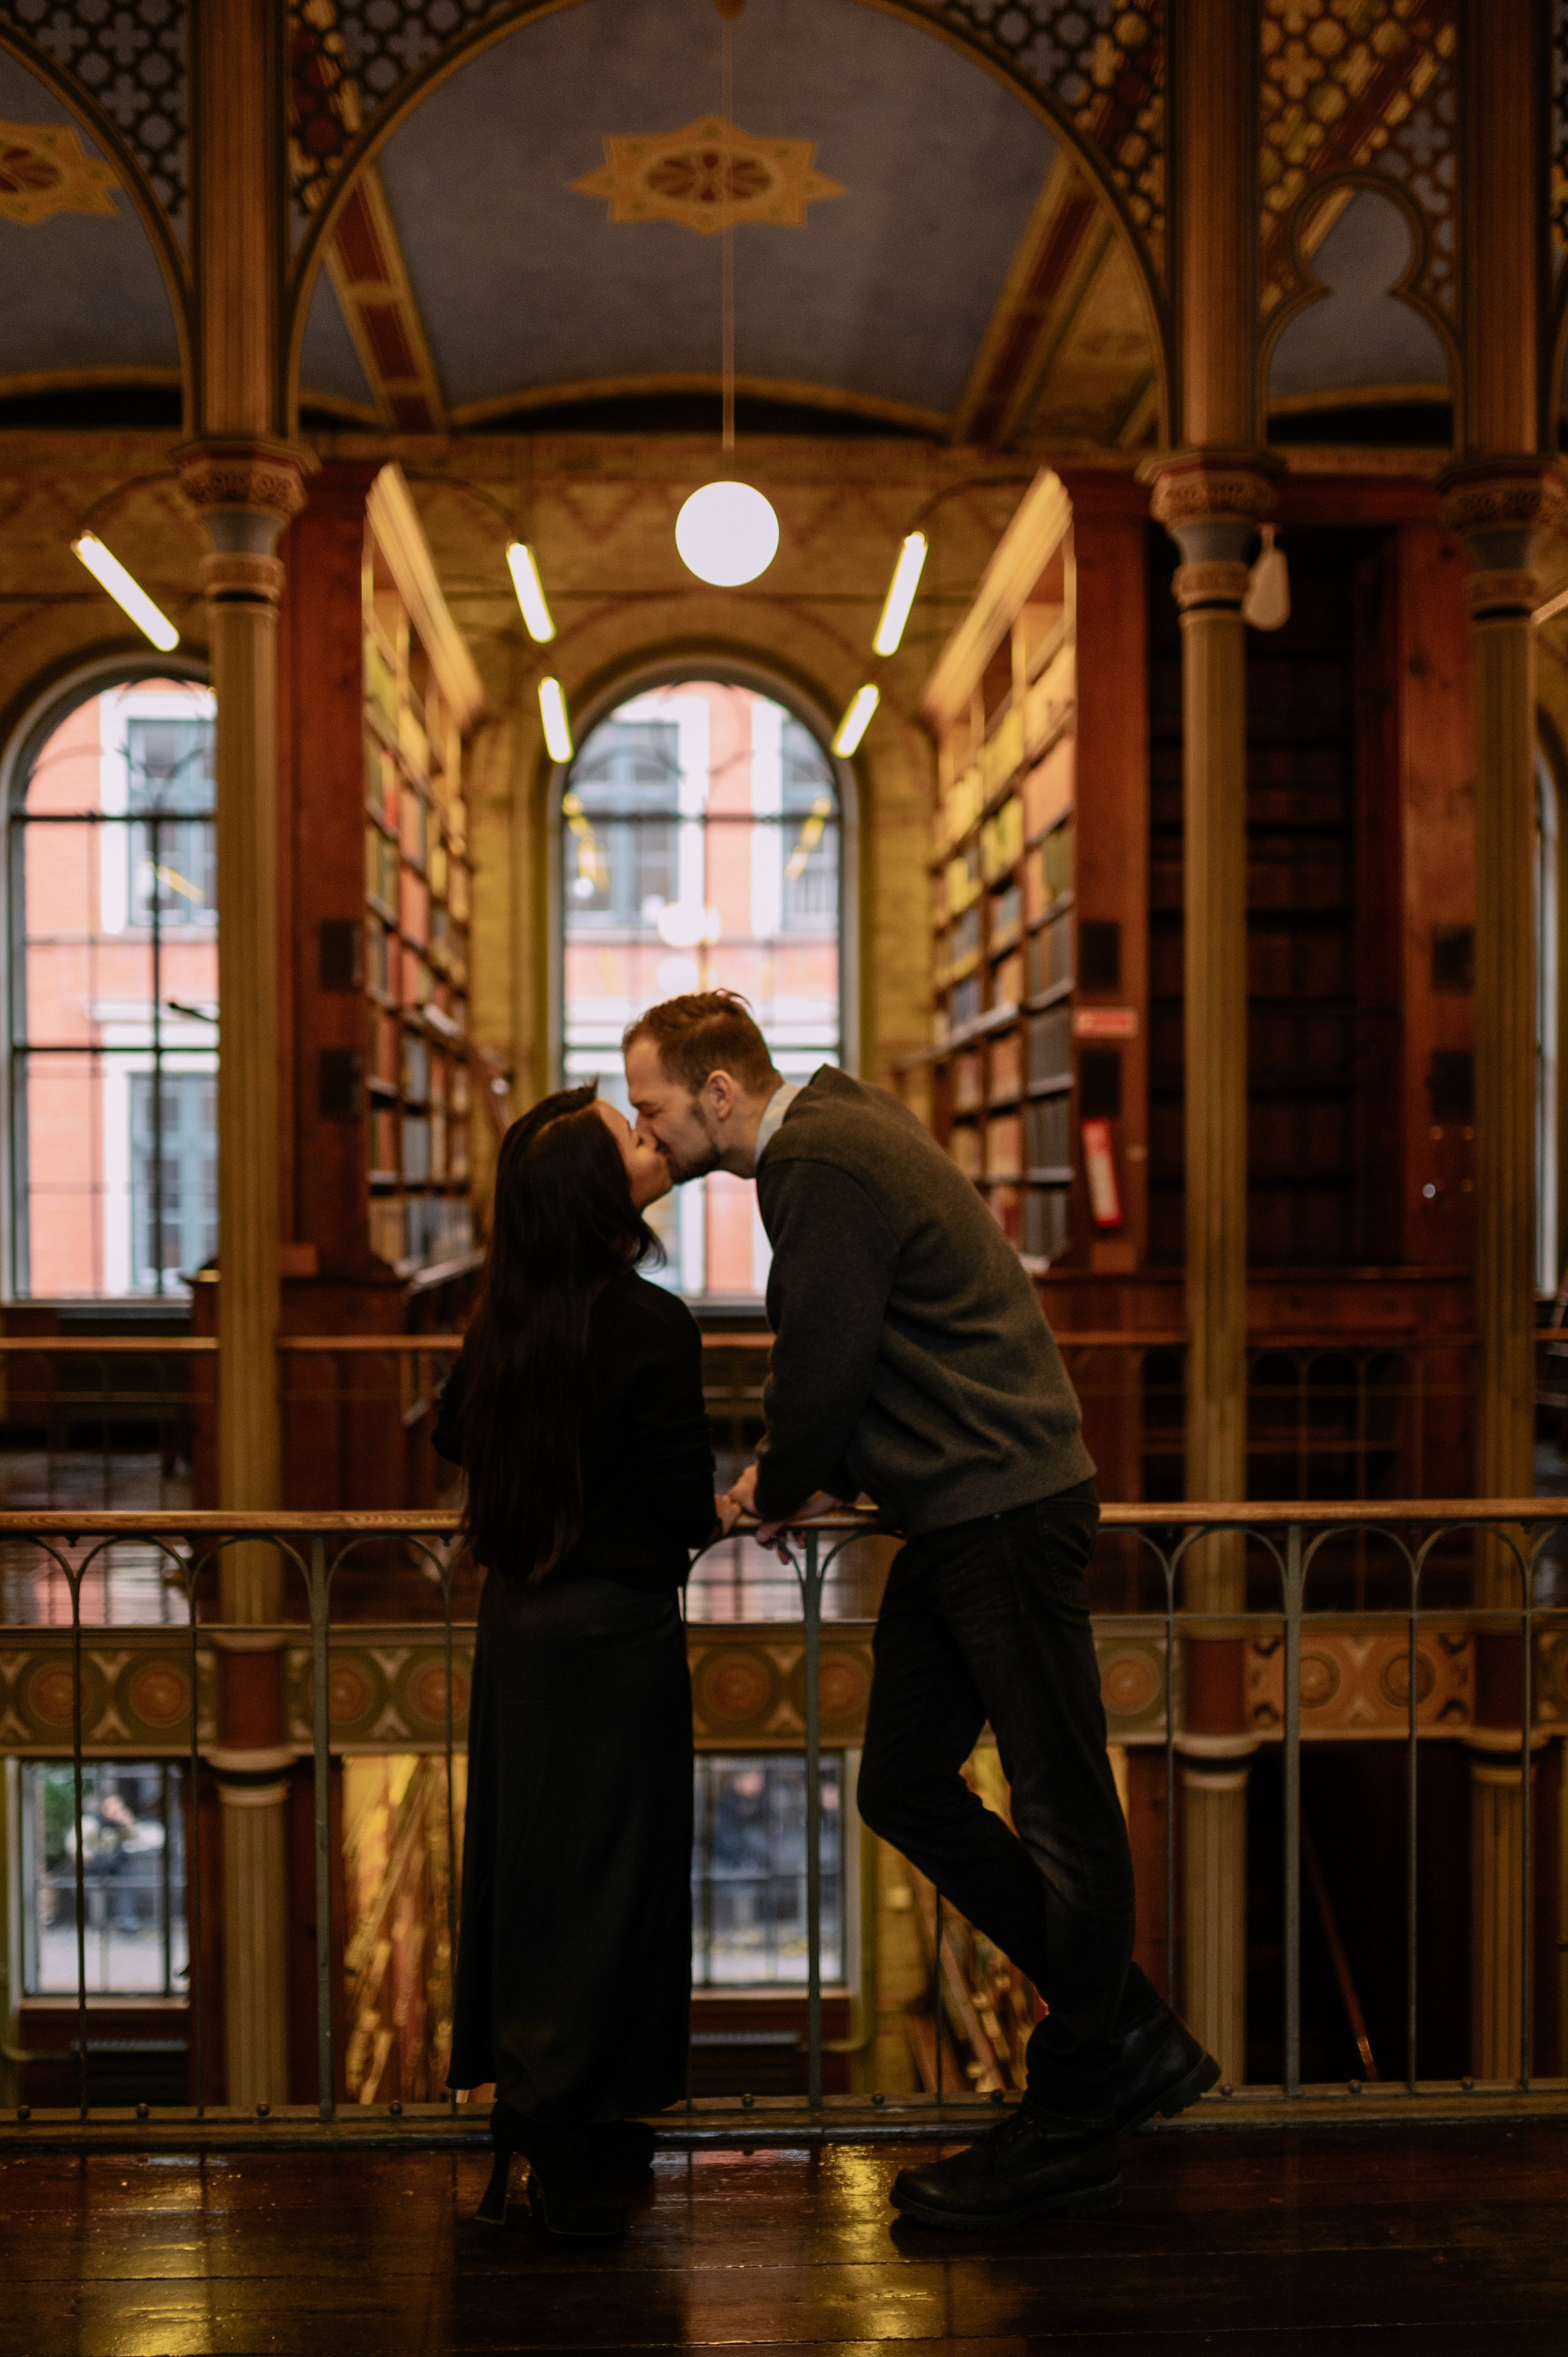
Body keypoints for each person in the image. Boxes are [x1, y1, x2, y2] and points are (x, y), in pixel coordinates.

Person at [624, 990, 1218, 2230]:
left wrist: (775, 1482)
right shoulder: (840, 1128)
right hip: (964, 1511)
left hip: (1000, 1510)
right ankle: (1131, 2034)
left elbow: (825, 1362)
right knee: (900, 1783)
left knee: (1063, 1809)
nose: (646, 1133)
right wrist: (818, 1470)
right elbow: (881, 1339)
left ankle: (1074, 2119)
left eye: (652, 1108)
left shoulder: (817, 1163)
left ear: (719, 1093)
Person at [434, 1082, 728, 2240]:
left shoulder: (509, 1315)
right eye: (630, 1138)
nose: (650, 1140)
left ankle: (548, 2110)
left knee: (533, 1870)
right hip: (616, 1637)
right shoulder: (651, 1324)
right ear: (598, 1198)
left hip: (519, 1628)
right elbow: (686, 1509)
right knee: (617, 1878)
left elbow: (453, 1430)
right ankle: (574, 2124)